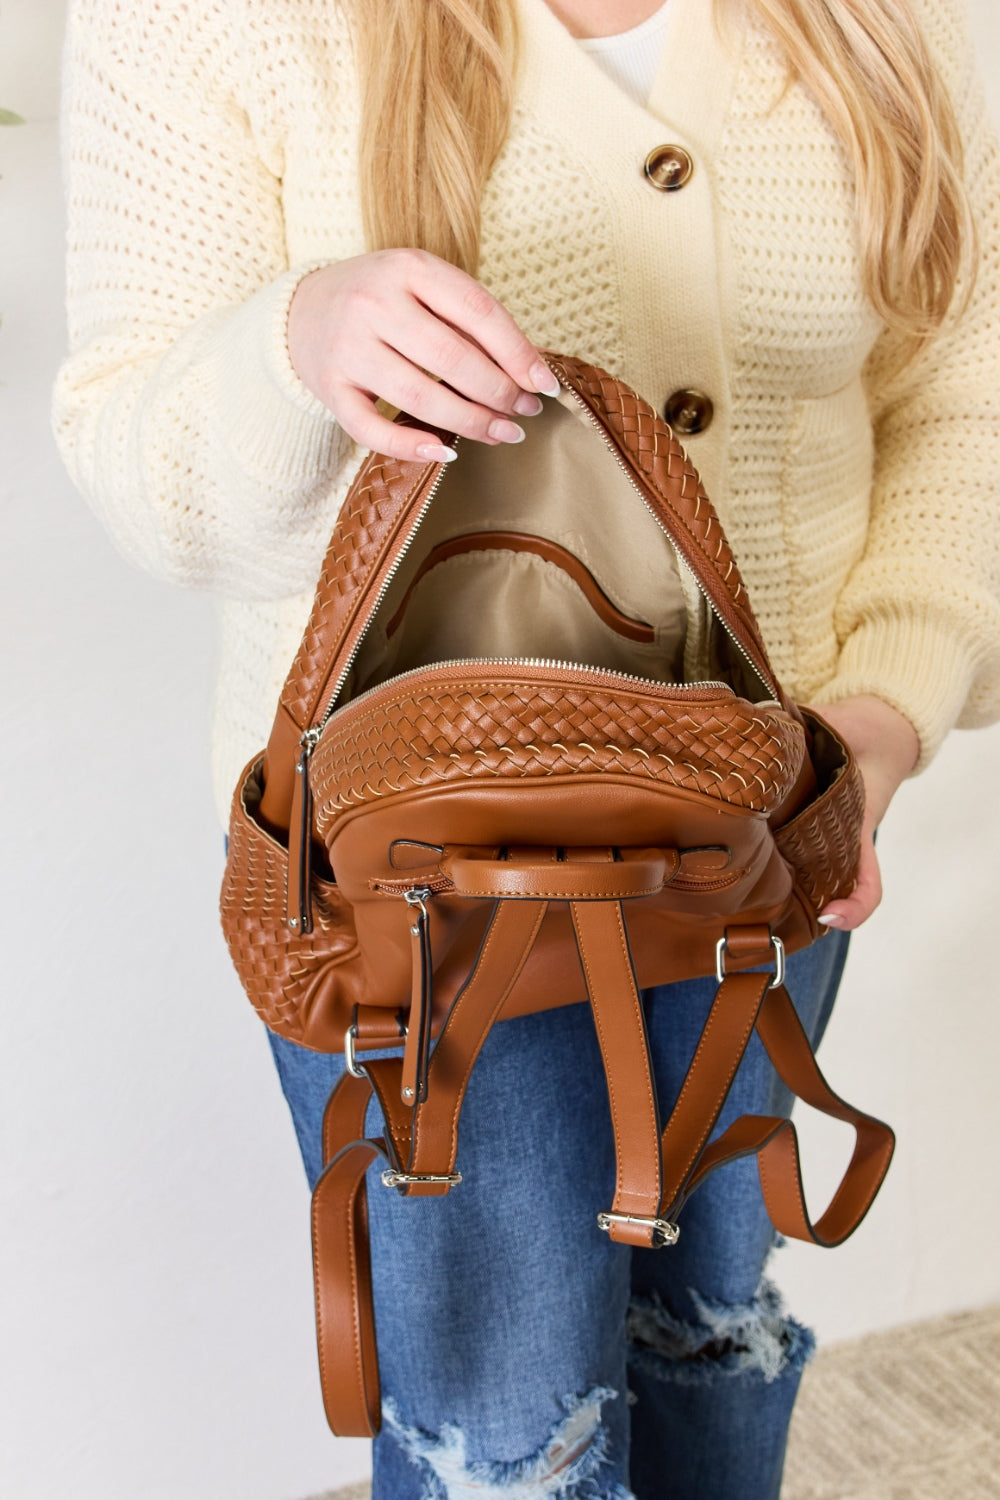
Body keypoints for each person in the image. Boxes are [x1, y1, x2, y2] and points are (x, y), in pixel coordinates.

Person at [53, 1, 1000, 1495]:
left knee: (709, 1327)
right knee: (502, 1435)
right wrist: (296, 343)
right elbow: (139, 463)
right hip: (398, 888)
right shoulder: (207, 19)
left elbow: (963, 393)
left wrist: (885, 711)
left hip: (761, 843)